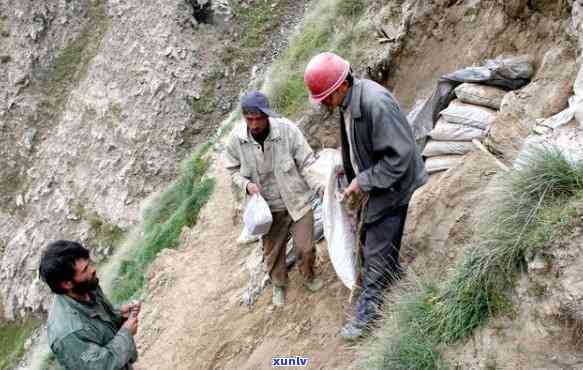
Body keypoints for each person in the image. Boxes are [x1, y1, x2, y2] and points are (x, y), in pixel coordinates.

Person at [304, 52, 428, 340]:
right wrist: (348, 177)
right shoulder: (347, 104)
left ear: (339, 87)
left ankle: (367, 316)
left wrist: (364, 181)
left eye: (324, 97)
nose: (322, 104)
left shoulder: (375, 103)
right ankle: (392, 272)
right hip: (378, 182)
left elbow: (400, 156)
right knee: (370, 237)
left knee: (374, 246)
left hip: (394, 184)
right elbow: (356, 146)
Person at [225, 90, 323, 307]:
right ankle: (278, 283)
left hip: (297, 200)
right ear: (244, 118)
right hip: (268, 208)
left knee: (306, 247)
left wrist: (320, 187)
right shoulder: (236, 140)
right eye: (249, 119)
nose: (254, 124)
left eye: (258, 118)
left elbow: (307, 162)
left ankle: (308, 274)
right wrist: (246, 185)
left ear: (267, 115)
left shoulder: (287, 130)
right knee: (273, 253)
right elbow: (232, 170)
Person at [39, 240, 139, 369]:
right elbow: (101, 365)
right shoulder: (68, 334)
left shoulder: (86, 287)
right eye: (85, 269)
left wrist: (119, 315)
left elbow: (98, 322)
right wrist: (126, 333)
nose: (93, 269)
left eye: (89, 263)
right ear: (66, 284)